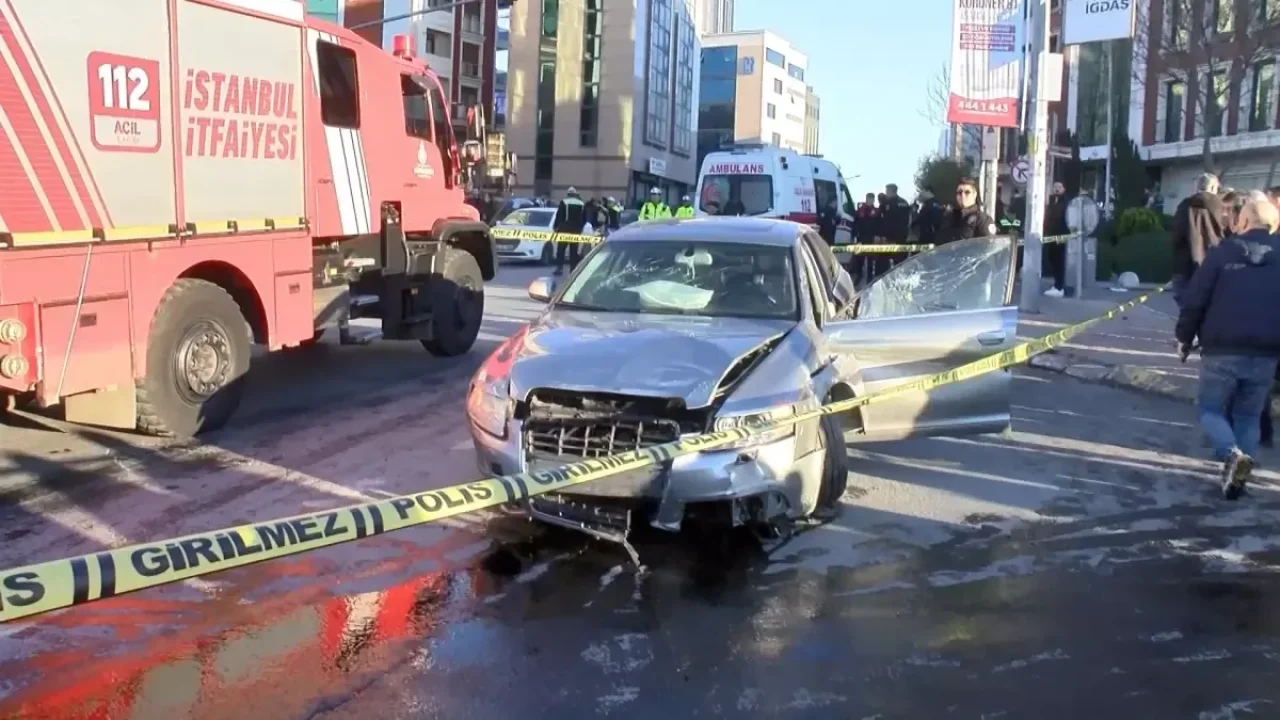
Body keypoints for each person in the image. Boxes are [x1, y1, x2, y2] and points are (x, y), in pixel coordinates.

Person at [1175, 191, 1280, 500]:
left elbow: (1195, 301)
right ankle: (1239, 473)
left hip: (1221, 347)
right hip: (1266, 351)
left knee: (1210, 408)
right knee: (1248, 415)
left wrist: (1184, 337)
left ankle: (1231, 454)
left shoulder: (1221, 254)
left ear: (1243, 220)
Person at [1170, 173, 1226, 305]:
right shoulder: (1222, 206)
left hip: (1185, 263)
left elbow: (1177, 234)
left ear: (1198, 187)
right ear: (1213, 187)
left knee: (1186, 306)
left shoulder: (1185, 204)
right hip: (1213, 261)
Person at [941, 177, 997, 243]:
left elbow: (988, 248)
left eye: (967, 192)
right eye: (959, 192)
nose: (962, 195)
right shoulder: (951, 217)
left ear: (974, 194)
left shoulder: (983, 220)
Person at [551, 186, 587, 276]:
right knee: (573, 251)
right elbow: (585, 218)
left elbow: (559, 216)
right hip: (576, 229)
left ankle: (559, 268)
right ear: (575, 194)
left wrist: (556, 227)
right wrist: (580, 227)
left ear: (568, 194)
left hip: (564, 228)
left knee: (561, 249)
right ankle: (573, 269)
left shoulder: (564, 202)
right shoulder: (581, 203)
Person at [1043, 182, 1070, 298]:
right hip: (1051, 236)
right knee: (1052, 258)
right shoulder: (1052, 202)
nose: (1057, 189)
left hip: (1061, 236)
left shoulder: (1066, 203)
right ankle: (1056, 284)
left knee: (1059, 261)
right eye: (1055, 187)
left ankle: (1060, 287)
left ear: (1064, 189)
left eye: (1059, 187)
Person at [851, 193, 879, 284]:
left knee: (870, 259)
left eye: (871, 199)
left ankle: (870, 278)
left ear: (873, 200)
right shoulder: (860, 210)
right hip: (861, 237)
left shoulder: (876, 211)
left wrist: (877, 235)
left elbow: (879, 225)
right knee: (860, 258)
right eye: (868, 199)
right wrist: (855, 234)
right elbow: (855, 223)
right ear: (866, 199)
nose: (869, 201)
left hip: (871, 238)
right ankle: (859, 275)